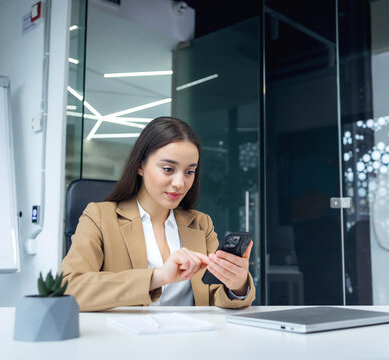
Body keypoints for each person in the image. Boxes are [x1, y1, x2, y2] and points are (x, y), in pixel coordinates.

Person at [60, 116, 255, 311]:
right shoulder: (100, 217)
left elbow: (215, 296)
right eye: (168, 169)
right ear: (140, 166)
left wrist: (236, 285)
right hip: (127, 339)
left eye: (189, 172)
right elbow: (69, 288)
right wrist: (157, 277)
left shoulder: (200, 224)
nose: (180, 183)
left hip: (192, 338)